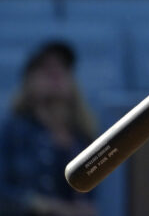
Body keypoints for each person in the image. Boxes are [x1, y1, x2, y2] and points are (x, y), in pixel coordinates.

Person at [0, 41, 97, 216]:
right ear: (29, 81)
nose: (55, 74)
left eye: (62, 68)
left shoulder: (84, 136)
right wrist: (45, 205)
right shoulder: (12, 132)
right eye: (45, 69)